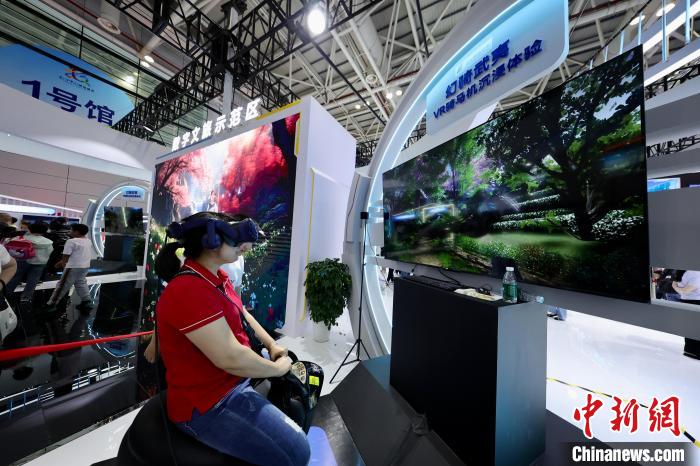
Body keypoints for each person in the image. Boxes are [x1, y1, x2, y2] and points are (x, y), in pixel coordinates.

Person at [146, 212, 310, 466]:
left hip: (234, 383)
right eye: (235, 240)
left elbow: (243, 314)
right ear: (210, 240)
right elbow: (230, 357)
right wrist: (277, 369)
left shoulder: (217, 278)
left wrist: (272, 345)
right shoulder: (188, 289)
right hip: (210, 403)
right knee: (297, 452)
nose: (245, 247)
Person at [45, 224, 93, 311]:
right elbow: (77, 254)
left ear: (77, 232)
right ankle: (87, 301)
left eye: (71, 230)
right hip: (85, 266)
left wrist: (63, 265)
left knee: (62, 285)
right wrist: (61, 262)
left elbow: (66, 256)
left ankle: (51, 304)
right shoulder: (88, 241)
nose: (70, 232)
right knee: (81, 283)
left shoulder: (71, 241)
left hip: (72, 267)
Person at [5, 222, 53, 302]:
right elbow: (50, 251)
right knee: (33, 280)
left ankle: (6, 294)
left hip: (22, 260)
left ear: (30, 229)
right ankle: (26, 298)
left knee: (15, 277)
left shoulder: (23, 238)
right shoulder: (48, 242)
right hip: (40, 263)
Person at [672, 270, 700, 360]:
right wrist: (681, 290)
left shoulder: (691, 272)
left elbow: (677, 286)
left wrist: (679, 289)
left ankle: (691, 350)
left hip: (690, 301)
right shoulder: (691, 272)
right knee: (691, 327)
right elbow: (683, 289)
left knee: (692, 327)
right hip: (692, 302)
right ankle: (692, 351)